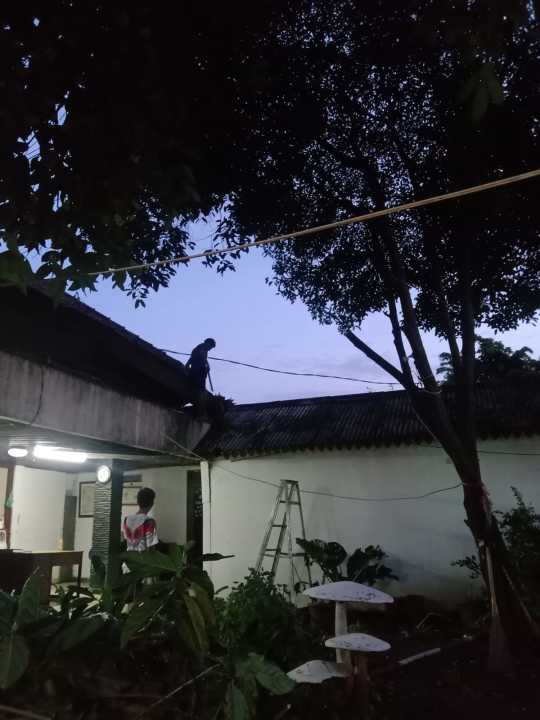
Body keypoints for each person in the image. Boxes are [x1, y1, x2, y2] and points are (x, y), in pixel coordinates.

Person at [123, 487, 158, 552]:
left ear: (138, 502)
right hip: (143, 557)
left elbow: (126, 541)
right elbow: (151, 549)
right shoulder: (149, 522)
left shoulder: (126, 519)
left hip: (129, 556)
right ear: (152, 503)